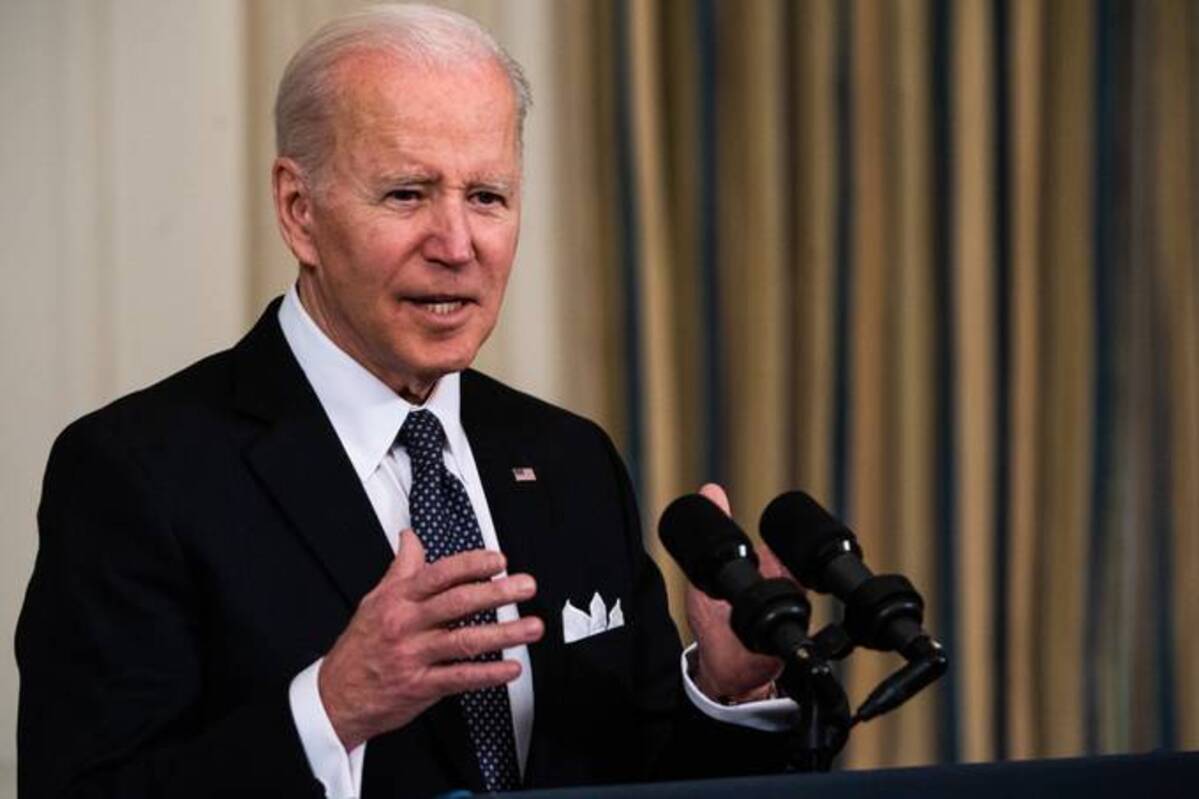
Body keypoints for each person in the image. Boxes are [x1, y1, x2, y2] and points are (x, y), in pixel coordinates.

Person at [16, 6, 795, 797]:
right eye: (406, 194)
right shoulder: (137, 471)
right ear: (299, 210)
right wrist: (331, 707)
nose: (457, 244)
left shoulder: (570, 458)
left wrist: (725, 691)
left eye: (487, 195)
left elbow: (635, 773)